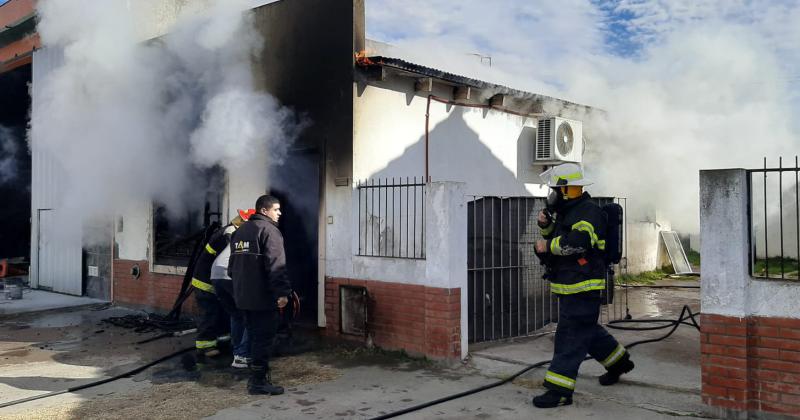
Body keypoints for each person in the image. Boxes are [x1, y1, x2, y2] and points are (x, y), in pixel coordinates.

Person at [532, 162, 634, 409]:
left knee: (569, 337)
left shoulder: (588, 212)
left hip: (582, 285)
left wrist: (549, 246)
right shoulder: (570, 211)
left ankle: (559, 391)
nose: (552, 196)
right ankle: (619, 362)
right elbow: (559, 237)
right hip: (570, 283)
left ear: (568, 191)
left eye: (555, 190)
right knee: (586, 329)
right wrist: (546, 227)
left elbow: (577, 243)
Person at [228, 195, 291, 395]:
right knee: (263, 340)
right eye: (276, 209)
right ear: (264, 210)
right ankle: (258, 382)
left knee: (254, 337)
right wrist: (282, 293)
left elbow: (231, 268)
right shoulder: (270, 231)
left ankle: (255, 379)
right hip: (262, 299)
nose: (279, 213)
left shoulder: (240, 231)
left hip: (243, 296)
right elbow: (276, 266)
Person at [211, 209, 255, 369]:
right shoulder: (249, 235)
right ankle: (242, 355)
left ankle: (237, 352)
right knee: (251, 316)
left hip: (216, 274)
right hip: (229, 275)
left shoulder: (237, 233)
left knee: (236, 315)